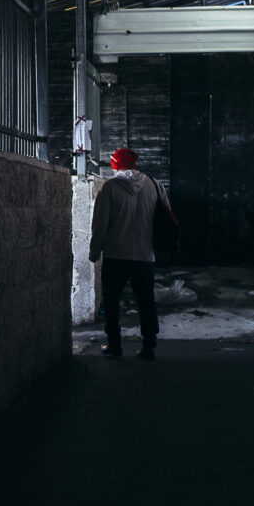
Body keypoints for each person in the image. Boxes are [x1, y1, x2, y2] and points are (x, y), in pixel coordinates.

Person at [88, 146, 169, 360]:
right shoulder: (154, 185)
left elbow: (100, 225)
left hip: (116, 256)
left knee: (112, 302)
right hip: (145, 256)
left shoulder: (110, 187)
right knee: (146, 301)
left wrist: (94, 251)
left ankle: (115, 345)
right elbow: (166, 218)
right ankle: (149, 346)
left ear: (115, 164)